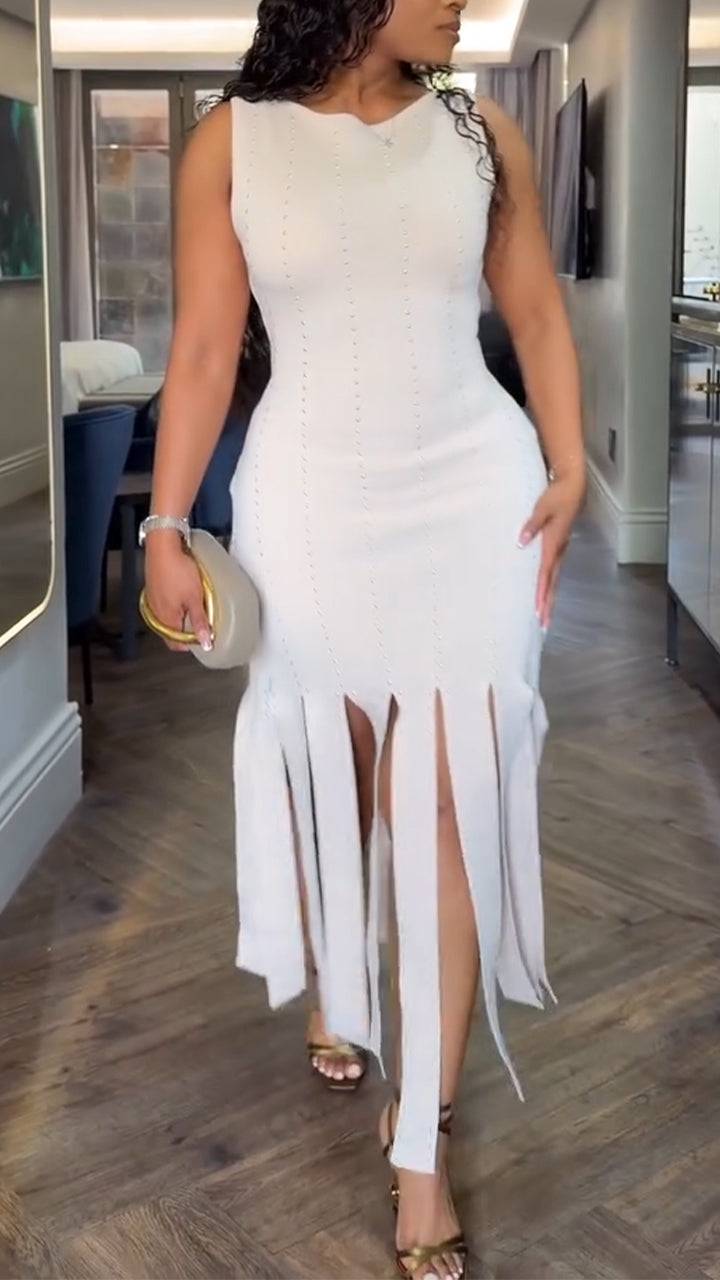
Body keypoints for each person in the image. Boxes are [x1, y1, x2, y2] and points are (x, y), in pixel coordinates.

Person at [142, 1, 586, 1275]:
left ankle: (422, 1143)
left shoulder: (481, 133)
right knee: (329, 773)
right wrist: (165, 523)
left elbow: (537, 316)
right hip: (310, 504)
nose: (463, 2)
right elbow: (206, 348)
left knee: (443, 801)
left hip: (473, 500)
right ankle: (341, 983)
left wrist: (569, 465)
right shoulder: (232, 141)